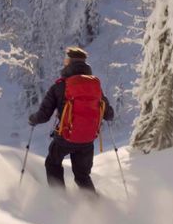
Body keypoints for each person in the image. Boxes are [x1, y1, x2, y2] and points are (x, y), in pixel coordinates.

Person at [28, 47, 114, 193]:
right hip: (87, 140)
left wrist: (32, 119)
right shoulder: (94, 87)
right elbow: (109, 115)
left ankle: (59, 201)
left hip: (65, 138)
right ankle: (96, 207)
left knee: (53, 164)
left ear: (68, 62)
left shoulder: (60, 86)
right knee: (82, 176)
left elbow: (43, 116)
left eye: (66, 60)